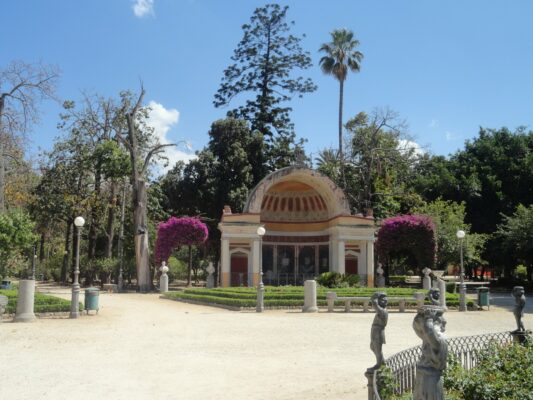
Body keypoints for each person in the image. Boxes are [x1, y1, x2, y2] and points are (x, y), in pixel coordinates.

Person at [412, 306, 447, 400]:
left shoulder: (439, 340)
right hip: (423, 376)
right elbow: (417, 328)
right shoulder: (427, 338)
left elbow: (429, 332)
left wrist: (428, 318)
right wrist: (420, 315)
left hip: (431, 379)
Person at [369, 292, 388, 370]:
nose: (384, 301)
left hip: (378, 331)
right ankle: (382, 362)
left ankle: (379, 365)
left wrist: (375, 297)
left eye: (385, 300)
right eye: (382, 300)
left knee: (377, 349)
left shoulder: (383, 311)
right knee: (373, 347)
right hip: (375, 330)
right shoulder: (382, 310)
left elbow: (375, 305)